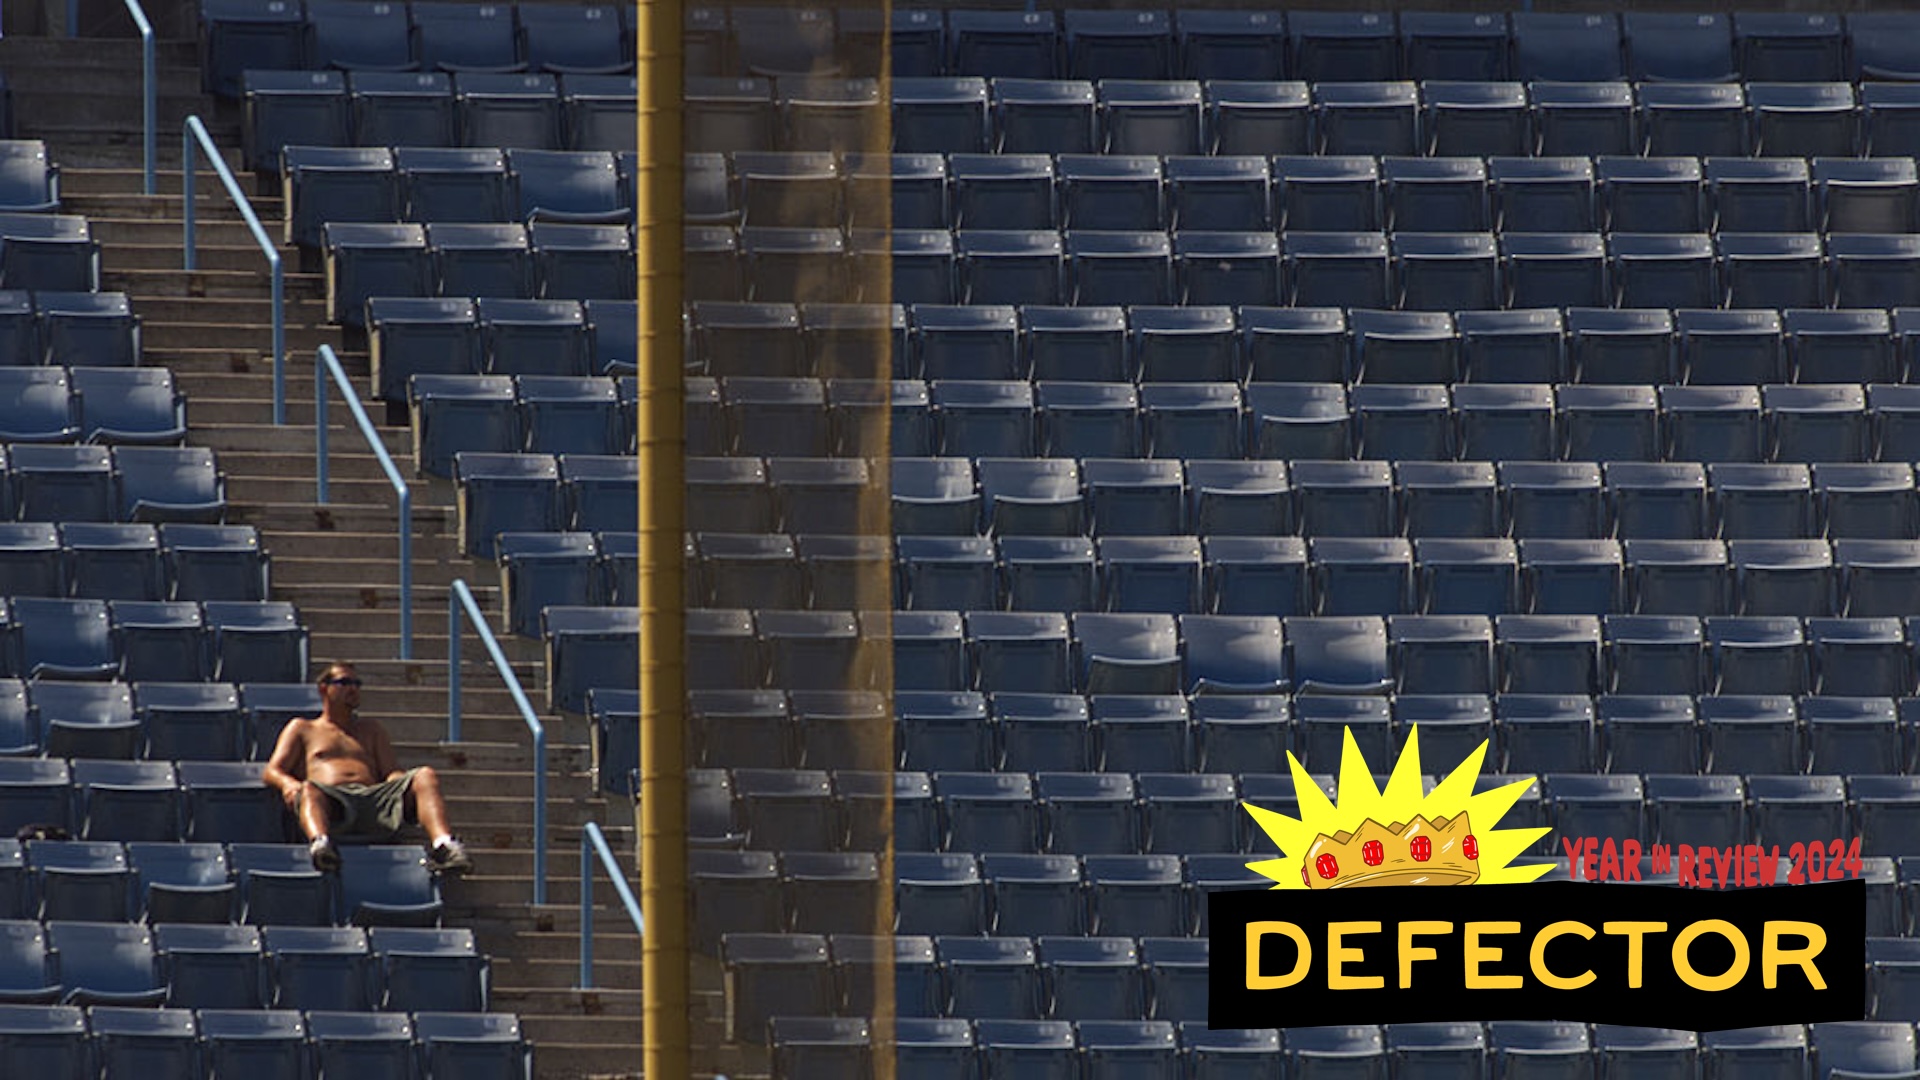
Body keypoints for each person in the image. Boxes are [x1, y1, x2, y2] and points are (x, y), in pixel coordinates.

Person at [262, 661, 473, 874]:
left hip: (373, 799)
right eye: (344, 682)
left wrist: (399, 783)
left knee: (425, 775)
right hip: (332, 802)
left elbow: (390, 771)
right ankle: (321, 845)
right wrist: (287, 783)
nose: (353, 688)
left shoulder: (371, 729)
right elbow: (272, 771)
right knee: (308, 789)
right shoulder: (303, 728)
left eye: (357, 683)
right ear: (324, 688)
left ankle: (445, 846)